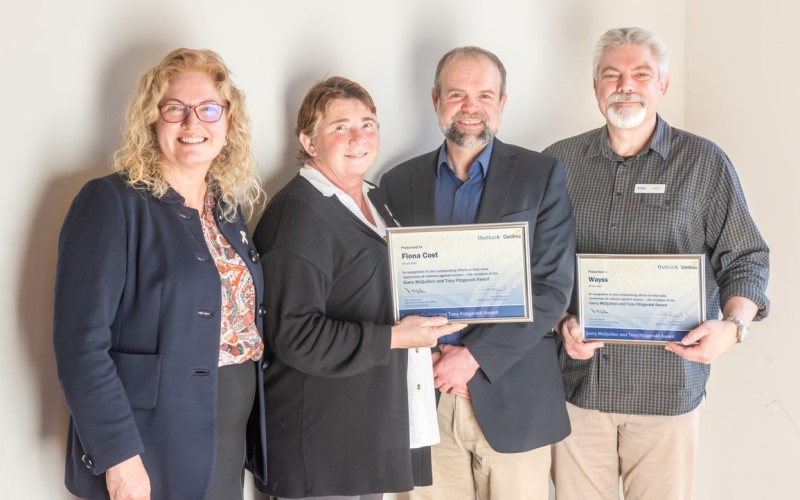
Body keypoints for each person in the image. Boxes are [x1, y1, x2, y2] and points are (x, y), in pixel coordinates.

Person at [543, 27, 770, 500]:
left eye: (641, 74)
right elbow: (535, 268)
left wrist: (733, 327)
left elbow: (746, 257)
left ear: (663, 85)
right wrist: (561, 322)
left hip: (669, 390)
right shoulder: (557, 165)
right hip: (579, 387)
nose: (626, 85)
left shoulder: (704, 163)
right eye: (612, 75)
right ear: (596, 88)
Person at [53, 48, 267, 500]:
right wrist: (119, 457)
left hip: (225, 444)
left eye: (209, 109)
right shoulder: (112, 203)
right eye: (175, 109)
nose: (193, 124)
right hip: (149, 447)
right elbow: (80, 343)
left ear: (228, 122)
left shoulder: (228, 210)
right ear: (152, 120)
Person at [252, 76, 465, 500]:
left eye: (368, 123)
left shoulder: (374, 199)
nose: (358, 137)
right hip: (321, 444)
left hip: (364, 433)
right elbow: (295, 336)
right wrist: (398, 337)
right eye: (340, 127)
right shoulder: (298, 215)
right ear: (309, 142)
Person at [380, 46, 576, 500]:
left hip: (513, 398)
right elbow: (385, 291)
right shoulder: (396, 183)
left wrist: (472, 358)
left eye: (485, 95)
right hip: (425, 398)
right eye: (457, 94)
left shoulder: (540, 175)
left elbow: (551, 289)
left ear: (503, 104)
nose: (471, 108)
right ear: (435, 100)